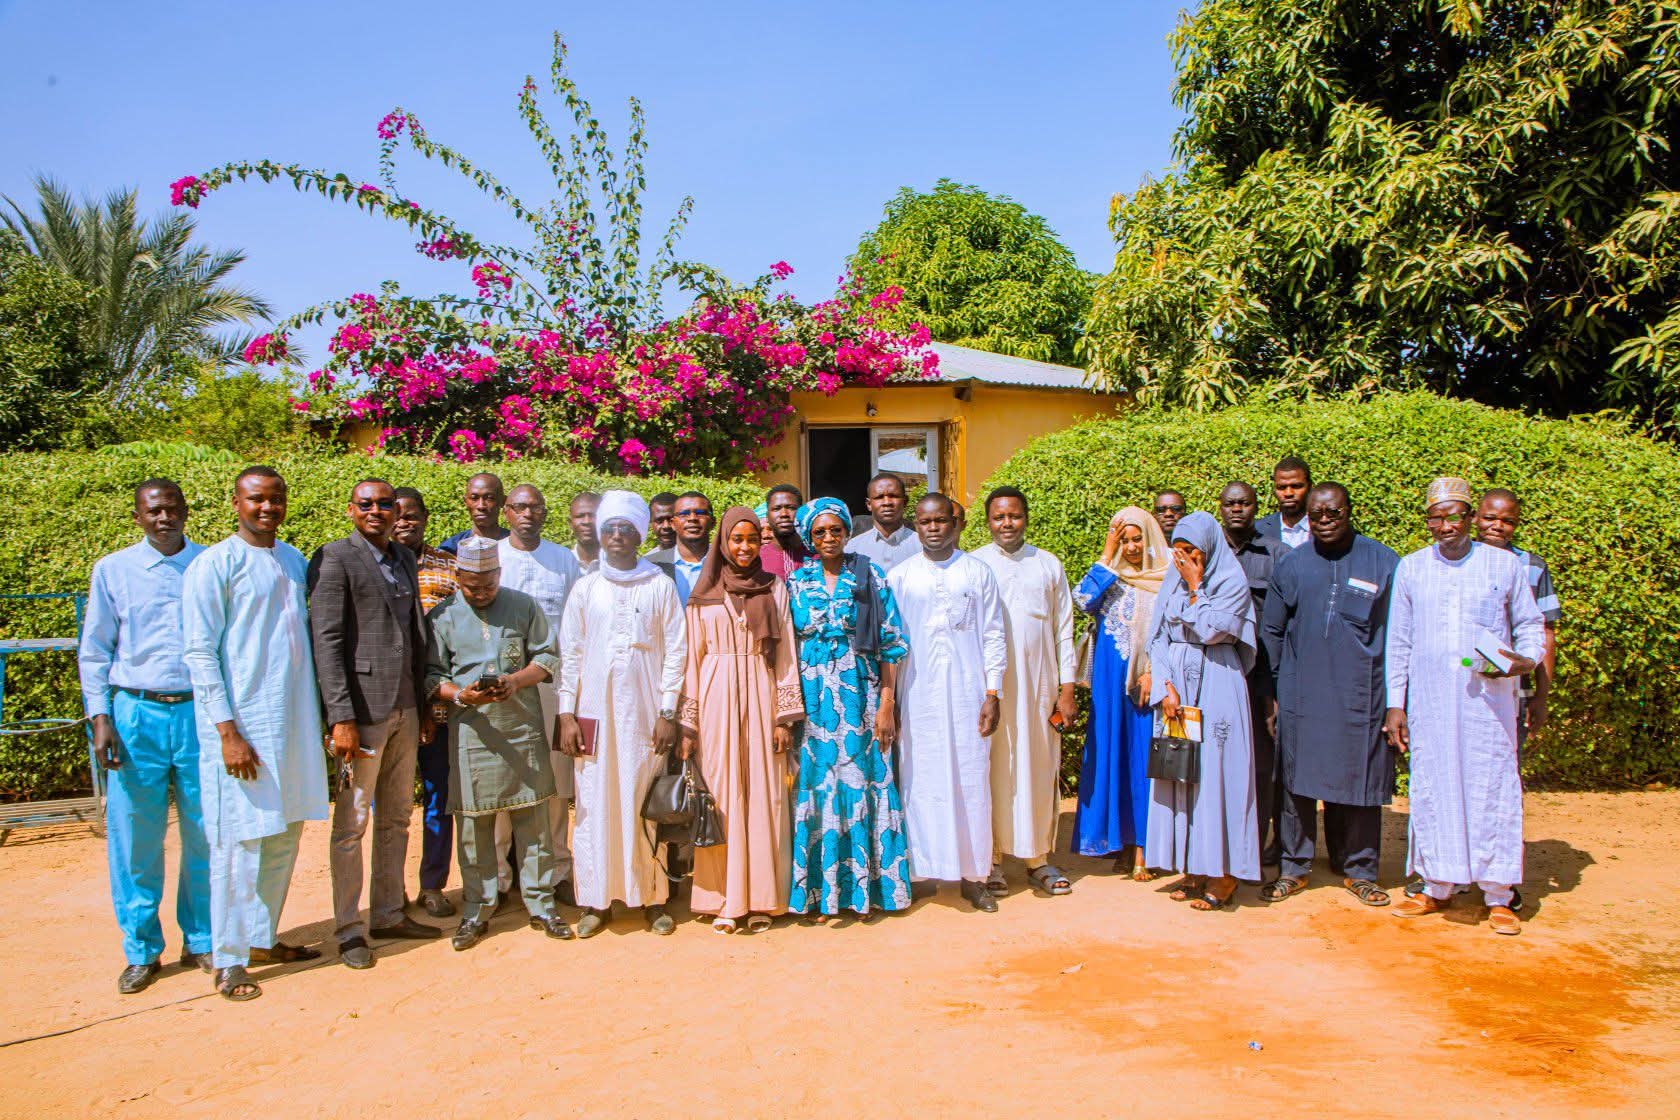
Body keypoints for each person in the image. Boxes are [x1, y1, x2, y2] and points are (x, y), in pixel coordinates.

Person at [181, 466, 329, 1001]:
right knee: (240, 842)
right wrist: (227, 731)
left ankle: (262, 939)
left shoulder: (291, 559)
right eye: (256, 499)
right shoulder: (214, 564)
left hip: (293, 724)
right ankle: (229, 959)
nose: (267, 507)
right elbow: (200, 652)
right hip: (243, 728)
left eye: (276, 499)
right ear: (236, 503)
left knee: (285, 833)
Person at [1385, 478, 1544, 935]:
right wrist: (1396, 704)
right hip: (1431, 704)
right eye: (1435, 518)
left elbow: (1530, 625)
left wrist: (1524, 661)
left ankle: (1499, 895)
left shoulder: (1503, 565)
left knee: (1491, 790)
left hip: (1489, 707)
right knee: (1433, 790)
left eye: (1453, 516)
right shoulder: (1413, 568)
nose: (1445, 526)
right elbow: (1399, 640)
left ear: (1470, 517)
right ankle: (1436, 885)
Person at [79, 479, 211, 994]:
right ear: (138, 517)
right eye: (153, 511)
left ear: (185, 512)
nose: (164, 518)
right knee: (135, 837)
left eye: (172, 509)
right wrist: (100, 717)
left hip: (199, 714)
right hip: (135, 714)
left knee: (205, 832)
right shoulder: (114, 570)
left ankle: (201, 940)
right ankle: (141, 949)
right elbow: (95, 650)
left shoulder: (207, 564)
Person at [308, 478, 440, 970]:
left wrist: (423, 705)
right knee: (352, 823)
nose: (377, 511)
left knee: (397, 816)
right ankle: (349, 929)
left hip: (405, 707)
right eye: (367, 504)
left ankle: (387, 912)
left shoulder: (403, 557)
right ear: (351, 509)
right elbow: (327, 641)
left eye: (386, 504)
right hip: (361, 715)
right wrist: (340, 716)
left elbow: (413, 635)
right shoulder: (335, 558)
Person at [424, 537, 572, 949]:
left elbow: (547, 658)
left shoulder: (523, 605)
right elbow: (432, 676)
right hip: (472, 734)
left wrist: (515, 681)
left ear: (499, 574)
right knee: (474, 827)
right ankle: (477, 908)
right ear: (458, 577)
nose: (481, 593)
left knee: (535, 824)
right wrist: (460, 695)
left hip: (522, 728)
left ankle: (542, 904)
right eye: (471, 586)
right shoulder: (442, 616)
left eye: (488, 584)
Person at [1259, 483, 1399, 907]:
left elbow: (1400, 635)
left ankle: (1360, 870)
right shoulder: (1293, 563)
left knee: (1359, 781)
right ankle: (1294, 867)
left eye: (1332, 513)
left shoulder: (1383, 561)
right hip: (1301, 694)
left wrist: (1396, 700)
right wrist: (1274, 694)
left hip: (1362, 695)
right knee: (1296, 783)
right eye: (1316, 515)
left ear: (1349, 511)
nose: (1324, 521)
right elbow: (1272, 631)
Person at [556, 491, 686, 937]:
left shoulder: (659, 585)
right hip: (592, 713)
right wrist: (566, 715)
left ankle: (652, 897)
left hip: (646, 714)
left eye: (626, 528)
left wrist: (668, 711)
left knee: (643, 798)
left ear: (639, 535)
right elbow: (570, 655)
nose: (616, 535)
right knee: (593, 802)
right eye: (609, 527)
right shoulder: (586, 587)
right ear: (599, 533)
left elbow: (676, 652)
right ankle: (596, 900)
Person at [786, 498, 914, 921]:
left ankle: (869, 891)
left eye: (835, 530)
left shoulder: (869, 574)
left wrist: (887, 703)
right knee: (819, 786)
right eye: (819, 532)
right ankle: (823, 894)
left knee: (864, 781)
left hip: (861, 695)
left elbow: (892, 642)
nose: (828, 538)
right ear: (808, 537)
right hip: (813, 701)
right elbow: (786, 646)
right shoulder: (795, 582)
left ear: (846, 532)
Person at [680, 505, 803, 933]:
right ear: (723, 542)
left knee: (765, 794)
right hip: (715, 698)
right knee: (722, 794)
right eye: (737, 539)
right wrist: (688, 723)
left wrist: (784, 717)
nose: (745, 547)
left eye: (752, 539)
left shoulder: (774, 587)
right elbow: (692, 660)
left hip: (763, 693)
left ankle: (764, 898)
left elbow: (786, 653)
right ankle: (724, 900)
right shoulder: (703, 593)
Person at [887, 494, 1007, 912]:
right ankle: (922, 872)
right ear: (916, 526)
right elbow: (892, 644)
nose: (934, 528)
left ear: (955, 524)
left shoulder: (977, 572)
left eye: (941, 520)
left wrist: (992, 693)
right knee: (920, 781)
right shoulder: (900, 576)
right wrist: (892, 699)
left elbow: (993, 634)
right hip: (918, 696)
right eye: (925, 522)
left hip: (969, 693)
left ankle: (974, 877)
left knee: (971, 782)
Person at [1144, 511, 1261, 912]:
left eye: (1192, 551)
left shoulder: (1231, 582)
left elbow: (1212, 630)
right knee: (1183, 774)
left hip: (1218, 682)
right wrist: (1165, 686)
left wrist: (1196, 586)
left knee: (1217, 775)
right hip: (1177, 688)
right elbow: (1157, 636)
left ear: (1210, 548)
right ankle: (1193, 865)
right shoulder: (1171, 580)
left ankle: (1224, 873)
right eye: (1178, 551)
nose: (1184, 560)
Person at [973, 487, 1079, 897]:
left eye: (1014, 516)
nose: (1007, 523)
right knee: (991, 769)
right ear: (988, 521)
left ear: (1026, 518)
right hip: (991, 690)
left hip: (1039, 685)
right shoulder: (976, 565)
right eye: (999, 517)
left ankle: (1038, 859)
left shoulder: (1047, 564)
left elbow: (1063, 630)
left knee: (1038, 766)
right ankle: (992, 861)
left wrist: (1066, 689)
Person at [1071, 506, 1169, 879]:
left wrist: (1155, 673)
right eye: (1123, 540)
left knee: (1142, 759)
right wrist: (1107, 553)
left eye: (1136, 538)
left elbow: (1171, 631)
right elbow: (1082, 600)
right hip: (1109, 682)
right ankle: (1119, 842)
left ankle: (1144, 846)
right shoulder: (1110, 577)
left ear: (1150, 537)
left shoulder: (1166, 577)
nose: (1131, 547)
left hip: (1146, 682)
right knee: (1111, 754)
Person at [496, 484, 582, 904]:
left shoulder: (563, 560)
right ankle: (498, 879)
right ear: (506, 512)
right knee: (501, 780)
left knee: (555, 782)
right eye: (519, 507)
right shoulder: (492, 556)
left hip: (552, 685)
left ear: (546, 512)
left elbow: (576, 623)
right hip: (502, 687)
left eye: (535, 507)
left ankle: (558, 870)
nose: (527, 513)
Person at [391, 486, 459, 917]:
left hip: (439, 704)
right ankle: (388, 890)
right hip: (388, 705)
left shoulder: (448, 567)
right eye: (395, 514)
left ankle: (432, 885)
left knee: (439, 797)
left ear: (425, 518)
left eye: (411, 515)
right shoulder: (372, 566)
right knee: (390, 804)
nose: (403, 522)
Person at [1218, 481, 1290, 865]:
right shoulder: (1207, 552)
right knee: (1219, 765)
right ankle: (1220, 849)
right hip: (1216, 674)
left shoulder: (1277, 554)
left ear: (1256, 507)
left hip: (1260, 678)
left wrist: (1276, 690)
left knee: (1261, 767)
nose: (1237, 509)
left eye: (1244, 503)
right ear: (1220, 507)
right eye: (1230, 503)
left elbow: (1288, 622)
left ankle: (1256, 850)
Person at [1474, 488, 1560, 747]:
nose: (1497, 526)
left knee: (1507, 758)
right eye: (1490, 518)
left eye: (1508, 521)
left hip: (1514, 686)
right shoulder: (1453, 563)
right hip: (1463, 679)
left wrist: (1541, 697)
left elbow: (1546, 633)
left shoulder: (1532, 567)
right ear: (1475, 518)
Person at [849, 472, 920, 571]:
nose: (887, 502)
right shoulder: (852, 549)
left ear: (905, 501)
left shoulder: (922, 547)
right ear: (869, 504)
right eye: (879, 497)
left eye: (893, 496)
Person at [437, 473, 509, 554]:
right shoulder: (450, 549)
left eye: (490, 498)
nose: (481, 506)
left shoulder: (516, 544)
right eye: (474, 498)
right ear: (465, 502)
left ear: (503, 501)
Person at [668, 491, 714, 604]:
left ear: (713, 522)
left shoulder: (727, 562)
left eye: (700, 513)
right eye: (684, 514)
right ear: (673, 524)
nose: (692, 518)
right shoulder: (654, 565)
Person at [1256, 457, 1312, 550]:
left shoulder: (1326, 527)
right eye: (1281, 487)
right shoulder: (1258, 531)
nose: (1288, 493)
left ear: (1309, 486)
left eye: (1296, 486)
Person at [759, 484, 810, 579]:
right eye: (776, 509)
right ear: (767, 516)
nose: (784, 514)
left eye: (791, 508)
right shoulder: (756, 560)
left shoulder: (817, 555)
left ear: (802, 513)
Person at [568, 491, 602, 571]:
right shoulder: (561, 563)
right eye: (580, 516)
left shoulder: (620, 564)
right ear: (570, 523)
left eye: (593, 515)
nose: (587, 522)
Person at [645, 491, 679, 562]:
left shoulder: (701, 557)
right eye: (659, 520)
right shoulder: (647, 564)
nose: (666, 526)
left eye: (672, 519)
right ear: (650, 523)